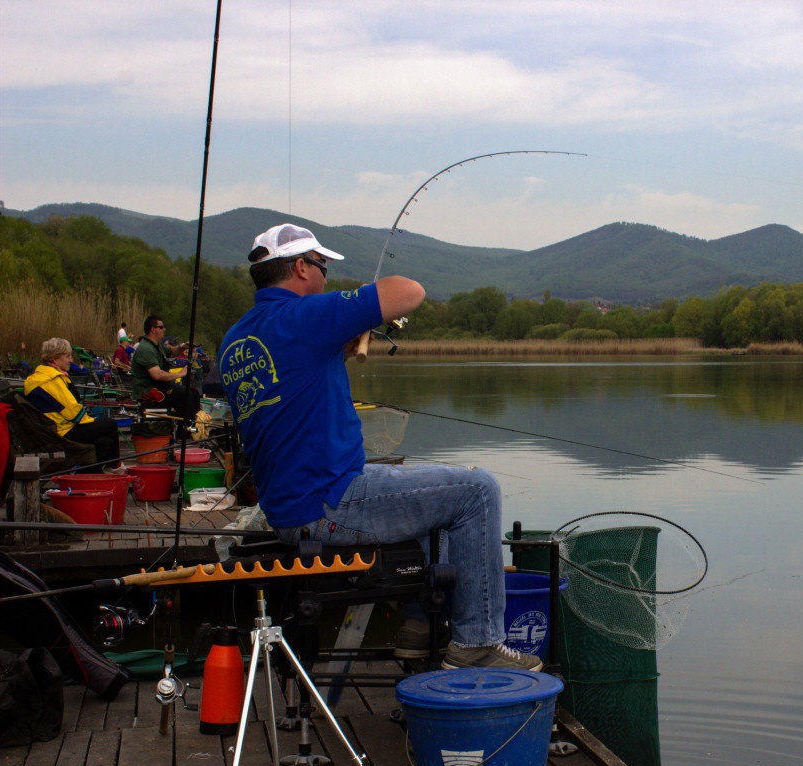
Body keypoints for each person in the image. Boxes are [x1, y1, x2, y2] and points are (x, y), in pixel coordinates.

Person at [218, 223, 539, 671]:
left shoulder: (237, 339)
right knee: (477, 490)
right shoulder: (305, 317)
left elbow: (289, 382)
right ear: (300, 268)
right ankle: (477, 642)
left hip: (288, 507)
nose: (326, 275)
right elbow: (408, 292)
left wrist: (338, 349)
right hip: (330, 504)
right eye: (322, 266)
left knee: (442, 503)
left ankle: (417, 629)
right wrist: (356, 312)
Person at [24, 338, 125, 474]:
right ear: (55, 358)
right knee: (110, 425)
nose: (71, 360)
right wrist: (92, 421)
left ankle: (85, 477)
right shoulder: (52, 380)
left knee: (105, 443)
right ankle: (116, 466)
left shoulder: (41, 376)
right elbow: (73, 413)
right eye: (67, 356)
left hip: (51, 430)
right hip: (60, 432)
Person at [131, 316, 191, 412]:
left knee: (192, 392)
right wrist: (180, 373)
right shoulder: (146, 349)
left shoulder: (157, 344)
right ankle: (184, 424)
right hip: (148, 391)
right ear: (153, 329)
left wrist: (183, 346)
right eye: (161, 327)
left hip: (160, 387)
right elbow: (157, 375)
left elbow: (171, 352)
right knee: (186, 394)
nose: (164, 329)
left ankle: (187, 423)